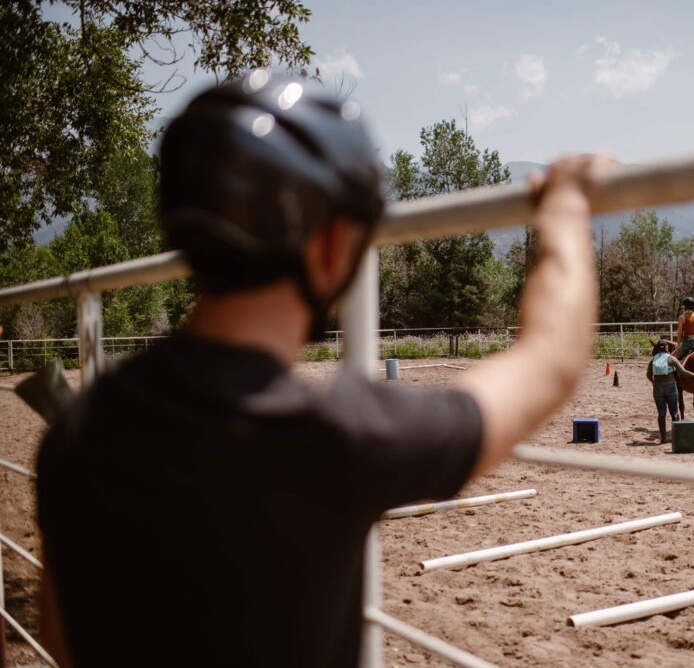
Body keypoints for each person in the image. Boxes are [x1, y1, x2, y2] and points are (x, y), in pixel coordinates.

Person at [35, 71, 612, 667]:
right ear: (334, 242)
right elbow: (550, 360)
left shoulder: (79, 429)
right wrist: (566, 206)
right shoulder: (333, 435)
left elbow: (59, 641)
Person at [646, 339, 687, 443]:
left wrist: (654, 382)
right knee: (674, 412)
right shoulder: (671, 358)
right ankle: (676, 438)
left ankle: (663, 438)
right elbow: (683, 371)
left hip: (658, 388)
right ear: (667, 348)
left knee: (661, 413)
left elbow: (648, 375)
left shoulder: (653, 360)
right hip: (671, 387)